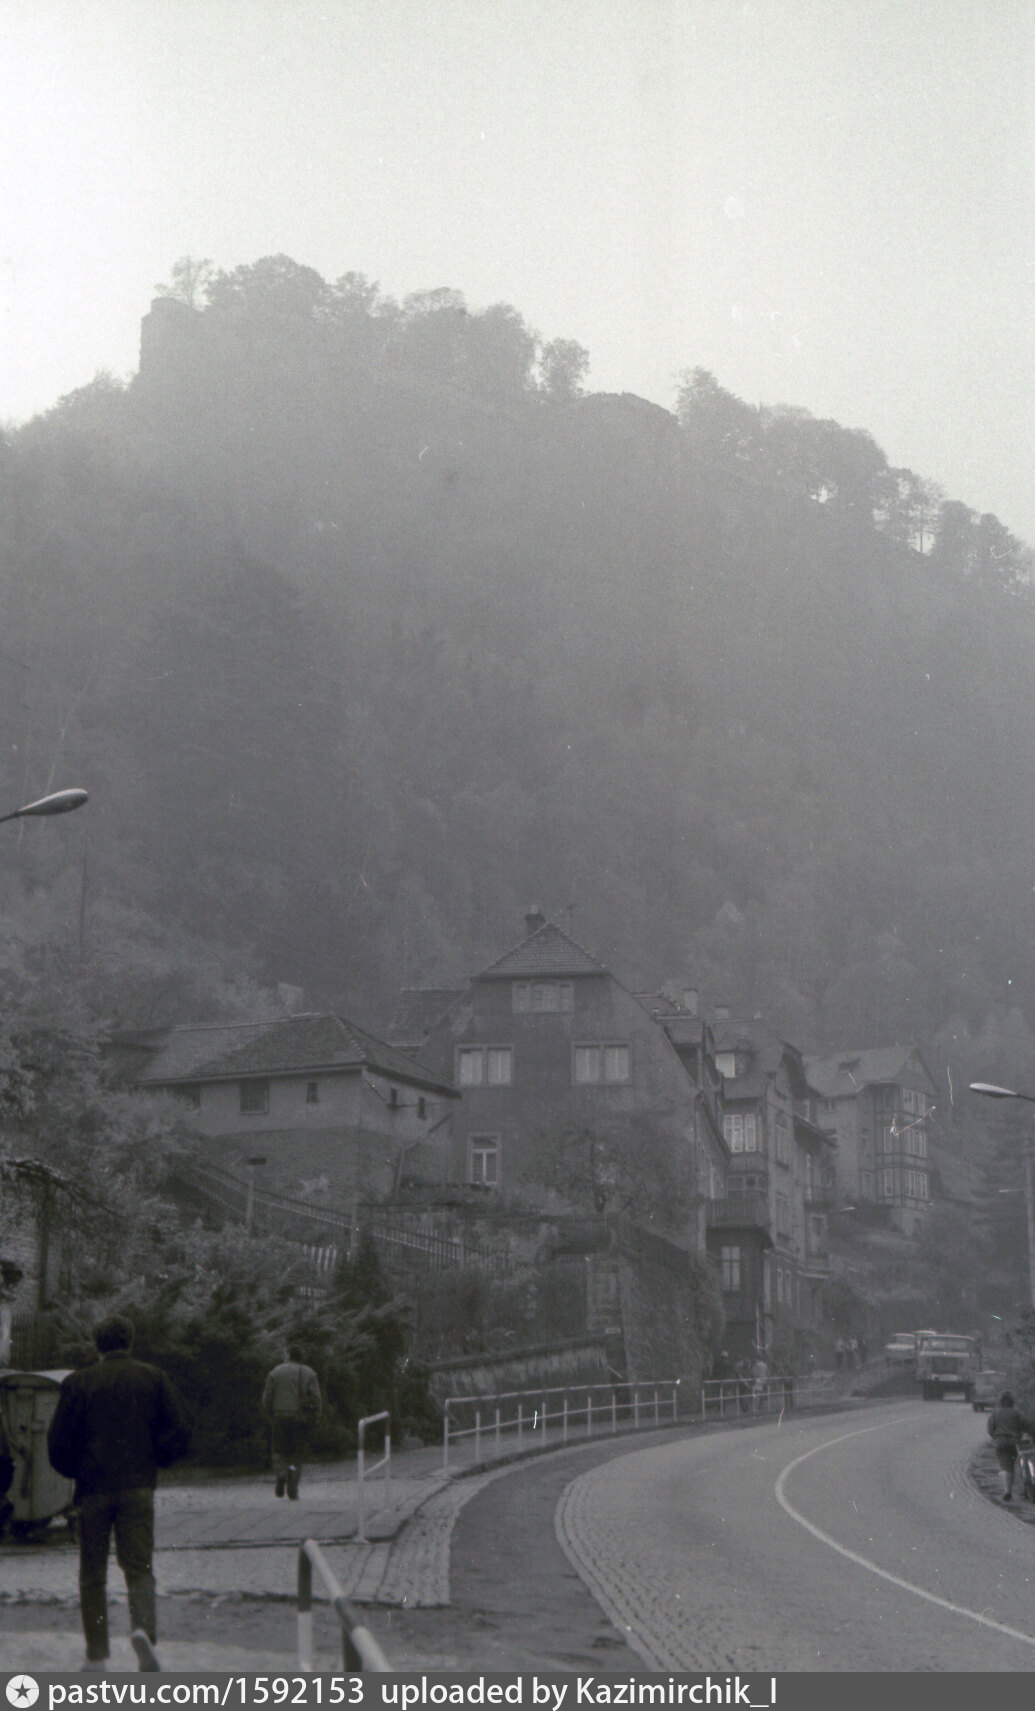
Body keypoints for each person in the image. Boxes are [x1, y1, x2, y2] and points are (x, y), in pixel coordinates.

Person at [47, 1315, 192, 1670]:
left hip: (92, 1489)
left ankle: (96, 1654)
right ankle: (144, 1634)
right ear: (130, 1341)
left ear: (96, 1344)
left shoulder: (78, 1383)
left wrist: (76, 1470)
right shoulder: (153, 1378)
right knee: (139, 1567)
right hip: (138, 1485)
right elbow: (180, 1428)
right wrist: (156, 1459)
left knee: (92, 1574)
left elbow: (58, 1441)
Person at [261, 1344, 322, 1500]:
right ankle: (293, 1489)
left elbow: (267, 1397)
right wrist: (316, 1418)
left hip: (280, 1416)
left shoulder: (275, 1372)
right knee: (297, 1454)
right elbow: (316, 1399)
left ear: (288, 1355)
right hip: (300, 1418)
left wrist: (268, 1413)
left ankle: (281, 1475)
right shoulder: (309, 1373)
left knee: (279, 1451)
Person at [986, 1390, 1035, 1501]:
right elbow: (1027, 1425)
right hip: (1013, 1442)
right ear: (1011, 1401)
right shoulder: (1016, 1413)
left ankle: (1007, 1491)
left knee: (1005, 1466)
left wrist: (995, 1437)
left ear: (1000, 1401)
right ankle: (1010, 1489)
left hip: (1000, 1442)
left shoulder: (995, 1414)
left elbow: (990, 1429)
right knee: (1011, 1465)